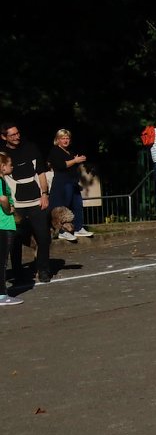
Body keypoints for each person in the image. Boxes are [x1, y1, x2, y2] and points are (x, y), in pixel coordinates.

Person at [1, 122, 52, 283]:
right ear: (4, 137)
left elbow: (41, 172)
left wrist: (44, 194)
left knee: (44, 236)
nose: (16, 137)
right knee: (14, 239)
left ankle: (43, 269)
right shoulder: (2, 154)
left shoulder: (31, 148)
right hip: (16, 203)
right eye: (12, 135)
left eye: (17, 133)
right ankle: (18, 271)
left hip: (36, 201)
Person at [46, 129, 93, 240]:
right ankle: (61, 230)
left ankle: (78, 228)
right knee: (62, 207)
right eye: (63, 138)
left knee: (77, 204)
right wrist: (74, 161)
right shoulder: (55, 151)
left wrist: (78, 160)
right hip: (62, 182)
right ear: (58, 140)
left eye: (67, 138)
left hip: (72, 181)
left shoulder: (70, 151)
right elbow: (60, 165)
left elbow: (73, 164)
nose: (66, 140)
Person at [0, 152, 23, 305]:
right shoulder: (1, 181)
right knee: (2, 261)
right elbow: (3, 199)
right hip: (4, 223)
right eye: (10, 164)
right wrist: (10, 210)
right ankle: (2, 295)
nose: (12, 166)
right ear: (2, 167)